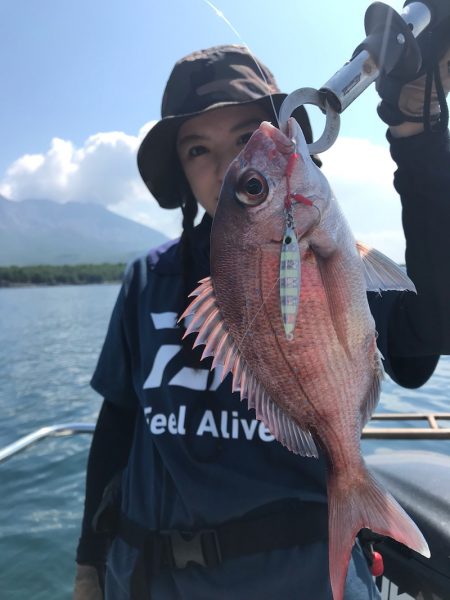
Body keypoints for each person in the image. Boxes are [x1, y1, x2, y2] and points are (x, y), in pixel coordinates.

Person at [73, 44, 450, 599]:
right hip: (149, 580)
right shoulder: (146, 278)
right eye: (198, 148)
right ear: (180, 171)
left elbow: (423, 344)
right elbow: (116, 424)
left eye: (248, 133)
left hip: (302, 580)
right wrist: (88, 566)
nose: (228, 163)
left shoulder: (337, 254)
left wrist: (416, 133)